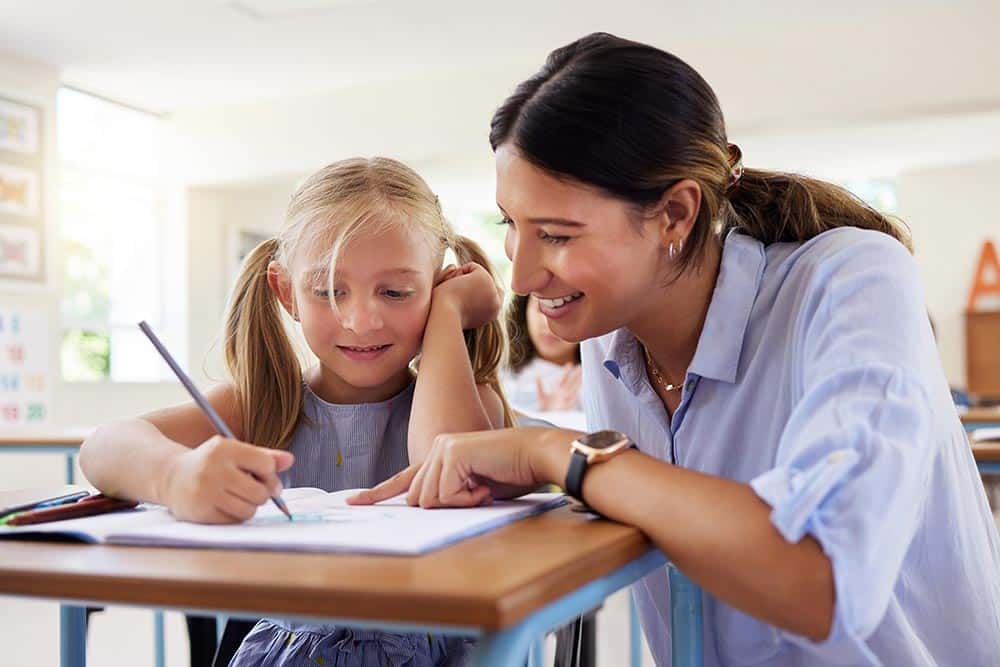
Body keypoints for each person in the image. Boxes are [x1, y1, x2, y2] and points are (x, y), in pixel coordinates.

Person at [351, 33, 1000, 665]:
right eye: (511, 225)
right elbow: (451, 463)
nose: (519, 277)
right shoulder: (609, 331)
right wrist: (447, 316)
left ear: (675, 215)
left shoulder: (852, 278)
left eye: (557, 234)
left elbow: (825, 577)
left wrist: (556, 452)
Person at [79, 157, 512, 667]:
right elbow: (101, 448)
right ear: (287, 293)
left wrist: (448, 313)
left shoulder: (471, 403)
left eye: (396, 292)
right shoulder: (263, 405)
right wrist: (174, 476)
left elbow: (448, 463)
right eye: (327, 291)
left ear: (436, 287)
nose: (361, 320)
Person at [504, 294, 582, 415]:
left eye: (564, 312)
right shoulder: (497, 371)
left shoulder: (594, 384)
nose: (547, 324)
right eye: (541, 308)